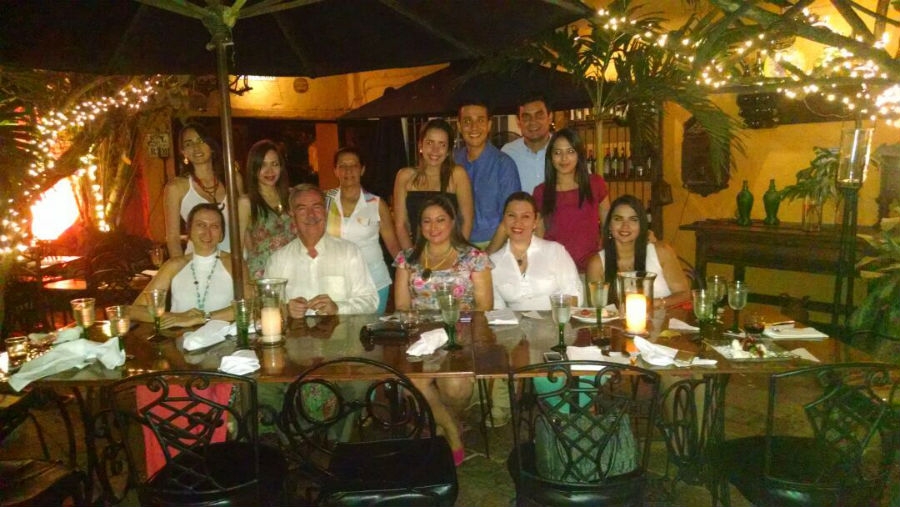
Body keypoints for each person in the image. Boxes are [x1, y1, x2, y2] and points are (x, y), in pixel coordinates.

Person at [393, 194, 492, 466]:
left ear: (452, 222)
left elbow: (484, 307)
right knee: (413, 382)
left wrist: (458, 331)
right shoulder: (407, 259)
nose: (433, 227)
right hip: (420, 338)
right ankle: (451, 429)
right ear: (419, 225)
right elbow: (402, 307)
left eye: (440, 220)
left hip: (461, 336)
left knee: (456, 387)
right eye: (426, 221)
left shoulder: (474, 257)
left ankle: (438, 421)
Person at [131, 203, 251, 327]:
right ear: (189, 231)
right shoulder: (174, 265)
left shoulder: (234, 263)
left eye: (214, 226)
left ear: (221, 234)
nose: (207, 232)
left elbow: (250, 306)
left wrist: (203, 318)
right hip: (178, 336)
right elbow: (134, 310)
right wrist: (179, 317)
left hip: (222, 336)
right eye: (201, 225)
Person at [266, 184, 378, 316]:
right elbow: (266, 305)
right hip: (296, 330)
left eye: (317, 207)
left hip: (341, 329)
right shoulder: (278, 260)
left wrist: (337, 308)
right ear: (292, 214)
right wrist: (285, 310)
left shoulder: (349, 253)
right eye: (302, 209)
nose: (311, 215)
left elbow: (370, 302)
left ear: (325, 211)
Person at [325, 147, 401, 314]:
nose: (348, 171)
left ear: (362, 169)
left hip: (373, 281)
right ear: (335, 170)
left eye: (354, 165)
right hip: (336, 283)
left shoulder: (375, 204)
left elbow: (393, 245)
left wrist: (408, 272)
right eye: (343, 166)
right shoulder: (325, 202)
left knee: (370, 328)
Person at [586, 194, 690, 308]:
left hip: (666, 318)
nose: (625, 226)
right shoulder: (597, 264)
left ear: (642, 225)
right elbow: (596, 310)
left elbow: (684, 294)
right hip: (619, 319)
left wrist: (655, 303)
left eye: (633, 220)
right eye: (618, 219)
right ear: (609, 225)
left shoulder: (661, 252)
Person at [532, 128, 610, 272]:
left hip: (591, 269)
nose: (564, 158)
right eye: (557, 153)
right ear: (550, 157)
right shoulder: (541, 192)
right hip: (555, 270)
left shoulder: (595, 184)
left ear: (579, 154)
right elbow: (539, 235)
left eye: (570, 151)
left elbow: (608, 224)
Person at [490, 192, 582, 310]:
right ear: (503, 219)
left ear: (535, 221)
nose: (518, 222)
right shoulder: (494, 262)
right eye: (511, 215)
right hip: (515, 322)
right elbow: (497, 308)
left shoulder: (555, 251)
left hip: (555, 320)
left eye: (525, 216)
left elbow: (575, 296)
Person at [393, 118, 474, 249]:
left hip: (451, 251)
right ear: (420, 145)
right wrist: (411, 256)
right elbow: (401, 225)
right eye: (430, 143)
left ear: (448, 150)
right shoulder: (404, 177)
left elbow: (467, 220)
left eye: (442, 144)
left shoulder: (457, 175)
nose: (435, 150)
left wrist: (456, 254)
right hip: (417, 251)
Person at [164, 122, 240, 258]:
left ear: (211, 146)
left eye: (201, 141)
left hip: (235, 260)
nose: (196, 147)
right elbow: (173, 239)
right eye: (189, 144)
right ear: (183, 152)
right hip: (198, 263)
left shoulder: (233, 180)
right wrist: (181, 268)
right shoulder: (176, 187)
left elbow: (245, 227)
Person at [453, 100, 521, 248]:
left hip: (495, 244)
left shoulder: (503, 165)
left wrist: (488, 255)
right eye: (467, 121)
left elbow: (511, 217)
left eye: (480, 120)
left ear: (489, 125)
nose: (474, 127)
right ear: (459, 126)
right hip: (456, 243)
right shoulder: (452, 162)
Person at [237, 139, 294, 281]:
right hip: (263, 274)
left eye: (274, 164)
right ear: (253, 168)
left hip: (294, 270)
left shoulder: (292, 196)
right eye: (263, 165)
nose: (270, 171)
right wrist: (245, 282)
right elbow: (237, 250)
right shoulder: (246, 203)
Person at [502, 95, 553, 194]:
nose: (533, 122)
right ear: (518, 122)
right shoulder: (508, 153)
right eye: (526, 117)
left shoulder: (565, 150)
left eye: (539, 116)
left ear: (550, 117)